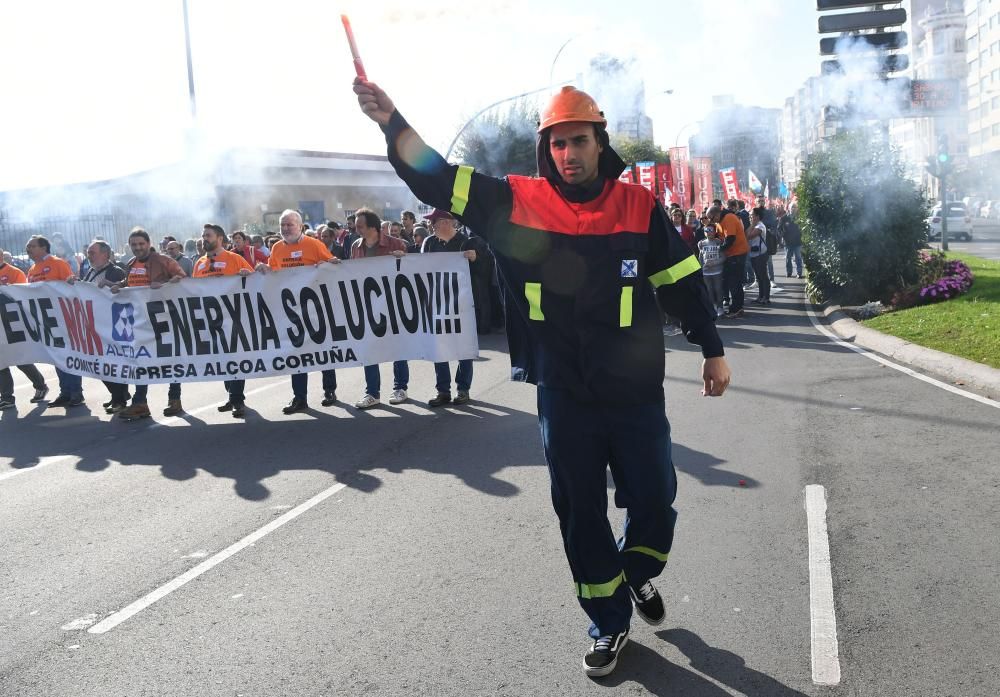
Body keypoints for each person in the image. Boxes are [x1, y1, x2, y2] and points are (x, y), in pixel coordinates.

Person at [355, 79, 730, 677]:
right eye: (556, 144)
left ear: (599, 143)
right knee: (580, 511)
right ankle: (608, 622)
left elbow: (681, 278)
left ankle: (634, 575)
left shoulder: (638, 206)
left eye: (578, 141)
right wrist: (390, 120)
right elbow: (432, 175)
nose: (568, 154)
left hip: (633, 391)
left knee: (655, 500)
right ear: (545, 149)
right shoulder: (510, 201)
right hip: (564, 393)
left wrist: (711, 348)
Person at [256, 209, 341, 414]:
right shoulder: (276, 248)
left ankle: (330, 390)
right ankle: (299, 397)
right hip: (292, 312)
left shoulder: (314, 245)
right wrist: (265, 270)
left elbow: (333, 266)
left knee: (323, 349)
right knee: (296, 353)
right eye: (282, 225)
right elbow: (274, 272)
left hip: (316, 308)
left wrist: (328, 264)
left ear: (300, 226)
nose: (285, 229)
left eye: (290, 225)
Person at [113, 227, 187, 421]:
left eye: (141, 244)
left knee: (170, 358)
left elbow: (183, 279)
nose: (137, 247)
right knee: (140, 360)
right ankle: (140, 403)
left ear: (149, 244)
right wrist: (118, 286)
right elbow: (130, 282)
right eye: (134, 244)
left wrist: (167, 283)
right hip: (138, 321)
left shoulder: (164, 261)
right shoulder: (131, 263)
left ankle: (174, 399)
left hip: (163, 318)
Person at [420, 209, 490, 402]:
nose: (431, 225)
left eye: (434, 221)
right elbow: (419, 269)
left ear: (446, 222)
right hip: (437, 302)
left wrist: (476, 259)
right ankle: (443, 390)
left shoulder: (470, 242)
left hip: (463, 303)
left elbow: (486, 271)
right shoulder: (429, 243)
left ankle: (463, 388)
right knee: (439, 346)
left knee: (463, 345)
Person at [191, 224, 255, 417]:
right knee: (221, 359)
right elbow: (193, 290)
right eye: (203, 236)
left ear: (220, 238)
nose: (204, 239)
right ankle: (231, 395)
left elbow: (256, 283)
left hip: (233, 317)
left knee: (234, 357)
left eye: (208, 236)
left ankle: (237, 400)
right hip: (210, 319)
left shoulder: (235, 259)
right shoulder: (199, 263)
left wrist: (247, 275)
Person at [349, 208, 410, 409]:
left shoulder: (396, 244)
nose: (355, 229)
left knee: (397, 347)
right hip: (367, 306)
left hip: (392, 304)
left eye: (360, 226)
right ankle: (372, 392)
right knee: (369, 349)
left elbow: (411, 273)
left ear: (373, 227)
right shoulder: (356, 246)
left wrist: (404, 259)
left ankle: (400, 387)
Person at [24, 235, 83, 407]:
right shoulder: (32, 269)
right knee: (56, 357)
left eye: (32, 246)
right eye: (28, 247)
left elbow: (71, 287)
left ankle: (76, 393)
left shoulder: (58, 263)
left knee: (68, 355)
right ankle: (65, 392)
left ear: (43, 247)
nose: (28, 249)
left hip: (62, 319)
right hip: (44, 322)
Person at [72, 240, 131, 412]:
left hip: (112, 325)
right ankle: (117, 395)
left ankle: (119, 399)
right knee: (99, 364)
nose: (89, 256)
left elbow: (124, 294)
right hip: (95, 324)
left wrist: (112, 286)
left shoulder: (115, 271)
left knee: (113, 363)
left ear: (105, 254)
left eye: (92, 252)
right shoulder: (90, 270)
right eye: (88, 252)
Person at [0, 247, 50, 410]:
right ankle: (7, 397)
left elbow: (22, 295)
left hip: (13, 323)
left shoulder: (14, 272)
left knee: (20, 359)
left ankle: (40, 385)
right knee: (1, 361)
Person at [709, 204, 748, 319]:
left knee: (734, 282)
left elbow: (730, 239)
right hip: (733, 254)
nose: (711, 221)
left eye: (711, 218)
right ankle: (737, 307)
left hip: (737, 254)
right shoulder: (720, 221)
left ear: (717, 214)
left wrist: (718, 250)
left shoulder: (729, 218)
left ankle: (736, 308)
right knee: (733, 282)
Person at [696, 224, 726, 316]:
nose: (709, 233)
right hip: (706, 272)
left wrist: (715, 263)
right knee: (709, 290)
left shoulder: (718, 242)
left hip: (717, 271)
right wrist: (701, 268)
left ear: (715, 231)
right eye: (707, 231)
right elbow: (700, 257)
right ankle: (712, 306)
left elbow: (723, 257)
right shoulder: (701, 243)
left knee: (718, 289)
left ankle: (720, 307)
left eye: (711, 230)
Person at [747, 207, 771, 305]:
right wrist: (752, 225)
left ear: (757, 216)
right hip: (753, 254)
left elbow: (749, 236)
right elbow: (746, 234)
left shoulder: (760, 226)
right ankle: (760, 296)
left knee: (763, 276)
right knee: (759, 276)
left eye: (752, 215)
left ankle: (766, 297)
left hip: (761, 254)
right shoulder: (754, 225)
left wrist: (752, 225)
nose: (750, 217)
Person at [777, 206, 803, 278]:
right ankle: (789, 272)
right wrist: (782, 235)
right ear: (789, 208)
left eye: (795, 207)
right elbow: (779, 229)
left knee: (798, 258)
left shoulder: (800, 217)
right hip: (788, 242)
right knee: (788, 258)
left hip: (798, 242)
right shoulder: (784, 218)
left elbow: (803, 228)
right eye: (792, 207)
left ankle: (799, 273)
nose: (794, 209)